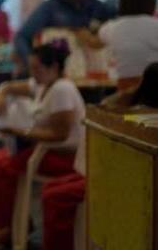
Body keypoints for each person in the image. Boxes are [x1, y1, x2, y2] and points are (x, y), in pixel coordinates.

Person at [40, 62, 158, 249]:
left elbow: (104, 106)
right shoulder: (138, 119)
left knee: (55, 194)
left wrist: (130, 92)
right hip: (130, 188)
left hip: (118, 188)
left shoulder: (124, 119)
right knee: (54, 189)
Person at [0, 42, 84, 247]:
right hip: (44, 149)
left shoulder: (62, 89)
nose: (32, 73)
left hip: (64, 156)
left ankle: (8, 229)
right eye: (31, 68)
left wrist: (21, 133)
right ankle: (7, 226)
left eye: (37, 68)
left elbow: (60, 135)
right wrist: (1, 93)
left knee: (1, 167)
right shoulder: (43, 84)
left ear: (54, 67)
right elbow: (12, 87)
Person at [14, 0, 115, 74]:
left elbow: (119, 21)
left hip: (96, 73)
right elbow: (22, 37)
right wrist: (32, 62)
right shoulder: (50, 9)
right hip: (60, 74)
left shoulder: (98, 7)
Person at [97, 0, 158, 90]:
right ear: (152, 0)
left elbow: (97, 42)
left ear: (122, 1)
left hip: (125, 96)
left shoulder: (109, 28)